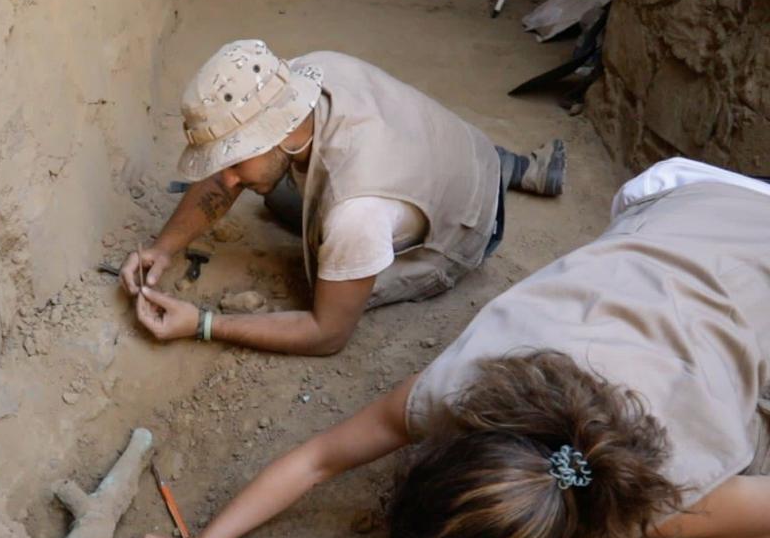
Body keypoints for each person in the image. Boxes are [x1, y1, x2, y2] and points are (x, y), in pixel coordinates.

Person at [119, 159, 770, 538]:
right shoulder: (460, 384)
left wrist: (694, 522)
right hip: (690, 198)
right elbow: (317, 459)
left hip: (711, 213)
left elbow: (321, 458)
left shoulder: (664, 502)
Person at [120, 39, 566, 355]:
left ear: (277, 133)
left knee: (320, 276)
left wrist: (202, 324)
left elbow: (327, 334)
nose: (228, 179)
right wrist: (163, 247)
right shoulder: (303, 75)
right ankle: (510, 165)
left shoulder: (355, 213)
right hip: (462, 149)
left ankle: (483, 194)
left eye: (234, 161)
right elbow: (231, 177)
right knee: (272, 193)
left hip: (465, 232)